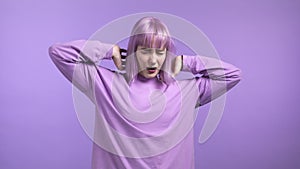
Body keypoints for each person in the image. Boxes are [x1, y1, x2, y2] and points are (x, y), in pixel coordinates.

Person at [49, 16, 241, 169]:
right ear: (133, 51)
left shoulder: (185, 91)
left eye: (160, 52)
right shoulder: (104, 84)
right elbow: (58, 53)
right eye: (145, 51)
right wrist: (109, 50)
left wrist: (186, 62)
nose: (153, 61)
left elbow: (232, 75)